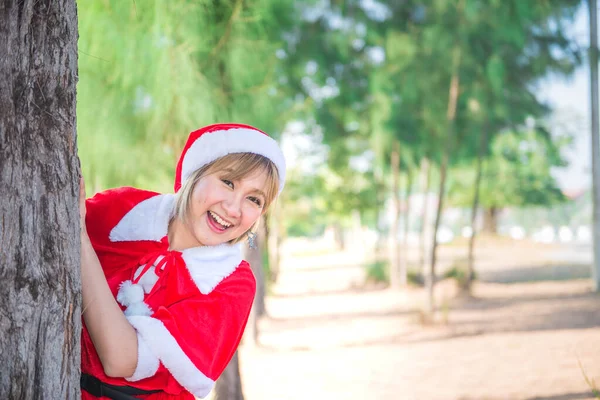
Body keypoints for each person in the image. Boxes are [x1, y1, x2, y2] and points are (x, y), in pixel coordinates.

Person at [79, 123, 286, 399]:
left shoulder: (232, 284)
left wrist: (78, 237)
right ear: (196, 173)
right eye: (228, 182)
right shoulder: (122, 211)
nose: (234, 209)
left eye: (254, 200)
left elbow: (120, 359)